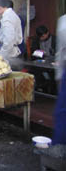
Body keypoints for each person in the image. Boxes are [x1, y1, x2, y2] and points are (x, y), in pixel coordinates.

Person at [53, 14, 66, 145]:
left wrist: (59, 75)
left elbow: (61, 52)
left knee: (63, 114)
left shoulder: (63, 22)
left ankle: (59, 147)